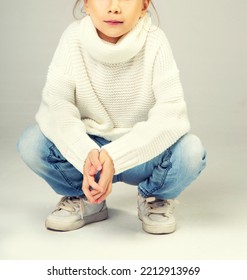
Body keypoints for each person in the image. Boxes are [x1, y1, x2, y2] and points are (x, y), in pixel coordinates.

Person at [17, 0, 206, 234]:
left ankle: (153, 198)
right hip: (89, 158)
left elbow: (171, 114)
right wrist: (86, 153)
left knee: (191, 151)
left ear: (144, 6)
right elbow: (57, 106)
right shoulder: (73, 38)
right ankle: (86, 199)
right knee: (32, 142)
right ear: (86, 4)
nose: (114, 7)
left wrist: (114, 156)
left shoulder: (155, 40)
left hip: (141, 153)